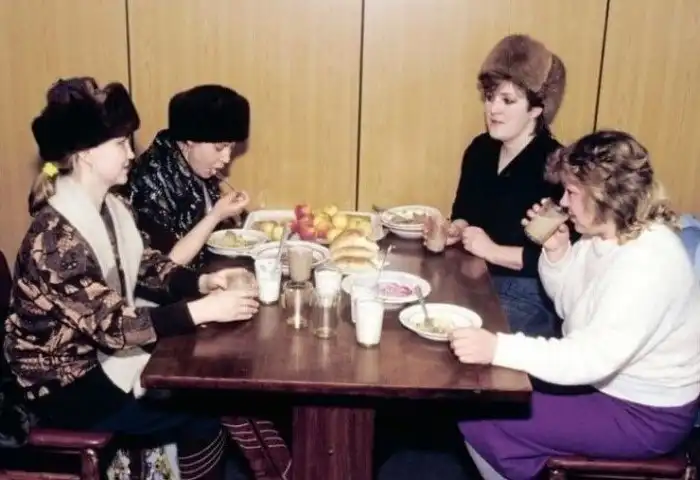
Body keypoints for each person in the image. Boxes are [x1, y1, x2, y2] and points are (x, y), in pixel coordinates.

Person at [4, 77, 262, 479]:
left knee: (207, 392)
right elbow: (114, 327)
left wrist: (201, 284)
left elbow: (145, 265)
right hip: (60, 386)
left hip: (95, 361)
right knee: (203, 416)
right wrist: (203, 310)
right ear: (86, 155)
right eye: (121, 143)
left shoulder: (111, 206)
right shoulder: (55, 238)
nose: (131, 153)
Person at [452, 130, 700, 480]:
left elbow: (588, 358)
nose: (563, 203)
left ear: (603, 195)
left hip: (645, 413)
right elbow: (571, 309)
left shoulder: (648, 262)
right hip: (605, 385)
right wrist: (557, 254)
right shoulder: (604, 234)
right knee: (486, 393)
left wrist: (497, 348)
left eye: (571, 192)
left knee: (482, 415)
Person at [433, 34, 568, 338]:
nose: (493, 109)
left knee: (456, 333)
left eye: (507, 101)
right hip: (477, 276)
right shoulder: (480, 149)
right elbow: (465, 211)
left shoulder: (556, 167)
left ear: (536, 108)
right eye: (490, 97)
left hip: (528, 292)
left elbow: (552, 258)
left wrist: (492, 250)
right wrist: (454, 229)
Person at [123, 84, 252, 270]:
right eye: (219, 147)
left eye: (231, 147)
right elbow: (165, 269)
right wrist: (216, 215)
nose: (226, 158)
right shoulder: (151, 182)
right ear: (190, 140)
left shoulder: (195, 163)